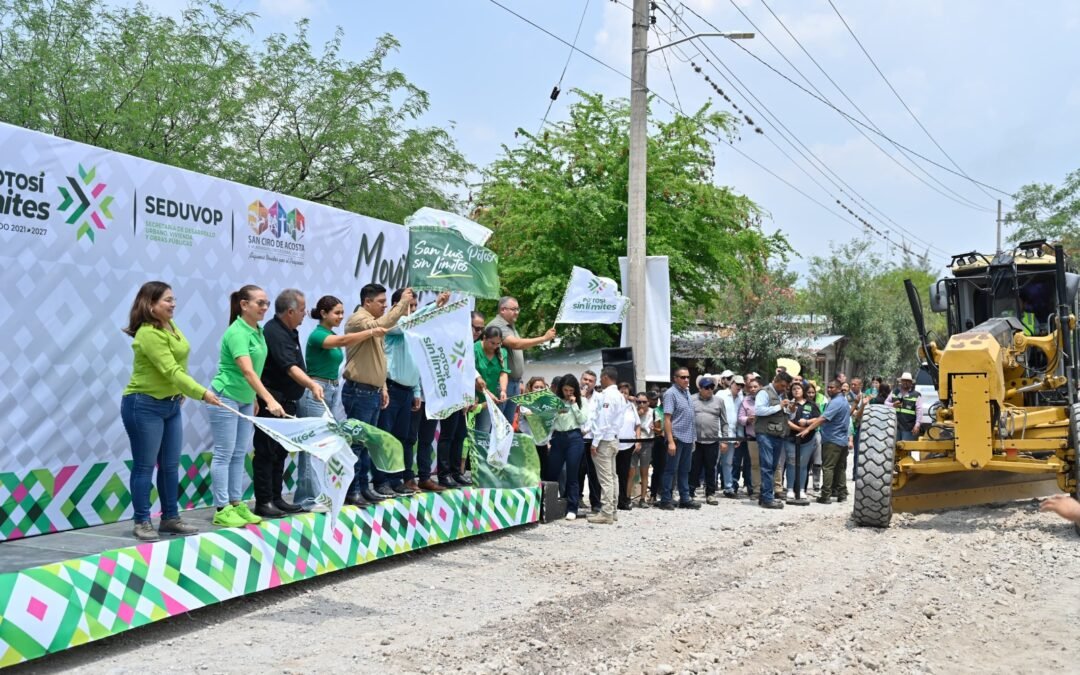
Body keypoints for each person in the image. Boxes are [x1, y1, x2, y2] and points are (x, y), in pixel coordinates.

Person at [121, 281, 221, 541]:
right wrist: (201, 393)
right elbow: (170, 370)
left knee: (169, 465)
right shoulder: (147, 333)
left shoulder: (170, 326)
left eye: (173, 299)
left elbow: (179, 364)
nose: (173, 304)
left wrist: (180, 393)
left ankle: (170, 518)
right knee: (144, 466)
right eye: (167, 300)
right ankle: (142, 521)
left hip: (170, 405)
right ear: (150, 305)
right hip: (143, 405)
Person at [295, 295, 386, 509]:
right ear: (324, 313)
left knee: (329, 446)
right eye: (336, 312)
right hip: (316, 391)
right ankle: (308, 499)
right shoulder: (318, 335)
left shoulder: (330, 333)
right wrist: (371, 331)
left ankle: (324, 493)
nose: (340, 317)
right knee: (312, 447)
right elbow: (345, 341)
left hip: (332, 390)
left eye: (342, 313)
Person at [206, 284, 285, 528]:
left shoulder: (257, 331)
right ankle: (221, 508)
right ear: (244, 305)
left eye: (266, 303)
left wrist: (252, 398)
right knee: (224, 453)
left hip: (243, 399)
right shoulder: (237, 332)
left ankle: (236, 504)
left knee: (240, 452)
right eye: (259, 303)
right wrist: (268, 399)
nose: (264, 307)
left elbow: (255, 371)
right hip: (225, 397)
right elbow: (248, 371)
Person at [251, 289, 326, 518]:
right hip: (273, 402)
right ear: (291, 311)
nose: (305, 314)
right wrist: (312, 385)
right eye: (302, 310)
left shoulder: (290, 331)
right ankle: (263, 501)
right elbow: (289, 367)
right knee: (266, 453)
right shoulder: (274, 333)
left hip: (288, 403)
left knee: (280, 454)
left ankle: (276, 497)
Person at [341, 283, 415, 507]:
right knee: (356, 444)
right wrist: (402, 303)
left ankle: (364, 487)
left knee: (367, 444)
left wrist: (382, 387)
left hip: (372, 391)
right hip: (358, 391)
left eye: (386, 303)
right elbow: (382, 325)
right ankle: (351, 490)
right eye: (381, 302)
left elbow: (379, 358)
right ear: (367, 302)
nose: (384, 306)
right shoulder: (358, 319)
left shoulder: (373, 324)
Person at [487, 297, 557, 421]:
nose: (517, 312)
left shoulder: (510, 326)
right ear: (503, 310)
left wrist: (518, 381)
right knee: (498, 423)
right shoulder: (496, 326)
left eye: (518, 309)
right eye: (514, 309)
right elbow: (516, 344)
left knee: (508, 423)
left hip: (514, 382)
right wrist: (543, 338)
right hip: (501, 383)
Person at [797, 379, 853, 504]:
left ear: (838, 389)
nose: (829, 389)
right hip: (841, 440)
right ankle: (842, 494)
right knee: (840, 468)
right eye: (828, 387)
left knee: (828, 468)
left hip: (832, 440)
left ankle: (826, 495)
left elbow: (823, 418)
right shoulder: (843, 400)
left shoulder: (836, 402)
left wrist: (807, 429)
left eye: (832, 387)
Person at [546, 374, 588, 520]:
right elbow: (549, 421)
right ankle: (546, 505)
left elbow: (583, 419)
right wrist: (556, 412)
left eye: (571, 390)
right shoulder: (555, 402)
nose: (568, 393)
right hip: (558, 437)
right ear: (560, 389)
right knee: (552, 472)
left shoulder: (582, 401)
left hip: (574, 438)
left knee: (572, 473)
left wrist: (574, 405)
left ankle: (572, 507)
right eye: (565, 390)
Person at [587, 367, 624, 524]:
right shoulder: (620, 396)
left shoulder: (608, 396)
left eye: (601, 378)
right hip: (614, 438)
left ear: (606, 377)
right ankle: (613, 510)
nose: (600, 381)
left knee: (606, 479)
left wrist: (595, 442)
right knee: (612, 476)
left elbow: (604, 421)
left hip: (605, 440)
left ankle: (607, 512)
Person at [660, 367, 699, 510]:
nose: (686, 379)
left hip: (688, 437)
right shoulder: (671, 393)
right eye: (682, 377)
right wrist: (670, 441)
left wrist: (693, 438)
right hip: (676, 437)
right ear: (675, 378)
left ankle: (685, 498)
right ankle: (665, 499)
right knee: (670, 470)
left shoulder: (687, 392)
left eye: (688, 377)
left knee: (684, 470)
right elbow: (667, 419)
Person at [754, 371, 793, 510]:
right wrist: (779, 406)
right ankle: (768, 499)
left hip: (777, 435)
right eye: (782, 385)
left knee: (771, 466)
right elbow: (758, 410)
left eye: (786, 387)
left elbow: (785, 413)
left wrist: (790, 409)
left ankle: (764, 496)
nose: (784, 388)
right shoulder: (764, 392)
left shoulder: (782, 394)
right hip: (765, 434)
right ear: (776, 380)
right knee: (767, 466)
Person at [690, 377, 728, 505]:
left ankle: (710, 494)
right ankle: (690, 492)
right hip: (695, 440)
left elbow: (724, 422)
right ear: (700, 388)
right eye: (706, 387)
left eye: (712, 387)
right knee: (694, 467)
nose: (710, 390)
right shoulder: (691, 399)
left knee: (711, 468)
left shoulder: (719, 401)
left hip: (712, 440)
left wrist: (724, 440)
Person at [784, 382, 819, 500]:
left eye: (798, 388)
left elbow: (818, 418)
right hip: (791, 438)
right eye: (793, 389)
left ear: (803, 390)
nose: (796, 391)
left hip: (808, 438)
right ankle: (789, 489)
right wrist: (799, 429)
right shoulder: (789, 404)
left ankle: (801, 490)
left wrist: (807, 425)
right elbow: (786, 421)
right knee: (791, 463)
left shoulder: (811, 404)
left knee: (804, 465)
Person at [577, 369, 603, 514]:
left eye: (590, 381)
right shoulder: (574, 395)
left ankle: (596, 503)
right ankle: (577, 499)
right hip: (577, 439)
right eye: (585, 379)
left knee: (593, 473)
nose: (587, 383)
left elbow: (600, 419)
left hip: (593, 439)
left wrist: (597, 440)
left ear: (595, 383)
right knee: (577, 471)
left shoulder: (599, 398)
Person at [614, 382, 640, 511]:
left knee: (624, 474)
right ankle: (610, 500)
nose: (624, 395)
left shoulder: (631, 407)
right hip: (613, 444)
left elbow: (637, 425)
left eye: (626, 393)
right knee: (612, 474)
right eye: (621, 392)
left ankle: (623, 500)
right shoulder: (613, 406)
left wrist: (638, 440)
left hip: (628, 445)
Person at [717, 375, 743, 498]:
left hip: (732, 434)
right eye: (737, 384)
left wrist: (739, 436)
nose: (739, 387)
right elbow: (715, 415)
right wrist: (719, 435)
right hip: (718, 433)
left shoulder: (740, 398)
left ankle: (728, 487)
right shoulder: (721, 394)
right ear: (731, 383)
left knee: (728, 463)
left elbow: (739, 419)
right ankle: (710, 487)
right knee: (712, 462)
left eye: (742, 385)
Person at [735, 376, 758, 498]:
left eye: (755, 386)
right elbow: (740, 418)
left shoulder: (767, 400)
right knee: (752, 465)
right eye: (750, 387)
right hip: (752, 437)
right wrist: (748, 419)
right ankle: (754, 489)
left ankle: (769, 489)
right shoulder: (745, 401)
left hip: (767, 436)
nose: (753, 389)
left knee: (769, 464)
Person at [631, 392, 655, 508]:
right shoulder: (632, 411)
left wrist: (655, 427)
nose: (641, 404)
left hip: (647, 442)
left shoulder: (652, 412)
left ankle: (643, 498)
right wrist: (638, 415)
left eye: (644, 402)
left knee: (644, 472)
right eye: (639, 402)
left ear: (648, 403)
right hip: (634, 442)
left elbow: (657, 426)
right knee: (631, 472)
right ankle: (627, 497)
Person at [885, 372, 925, 441]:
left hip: (908, 428)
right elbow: (885, 403)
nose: (905, 382)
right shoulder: (894, 392)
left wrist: (917, 425)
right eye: (904, 380)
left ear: (911, 383)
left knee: (905, 448)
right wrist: (892, 405)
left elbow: (919, 411)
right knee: (894, 449)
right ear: (901, 381)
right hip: (894, 427)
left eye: (908, 381)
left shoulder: (916, 395)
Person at [647, 390, 666, 503]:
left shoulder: (673, 410)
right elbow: (657, 429)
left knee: (668, 469)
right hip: (659, 442)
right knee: (659, 469)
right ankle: (654, 494)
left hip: (669, 440)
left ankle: (664, 492)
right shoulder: (656, 411)